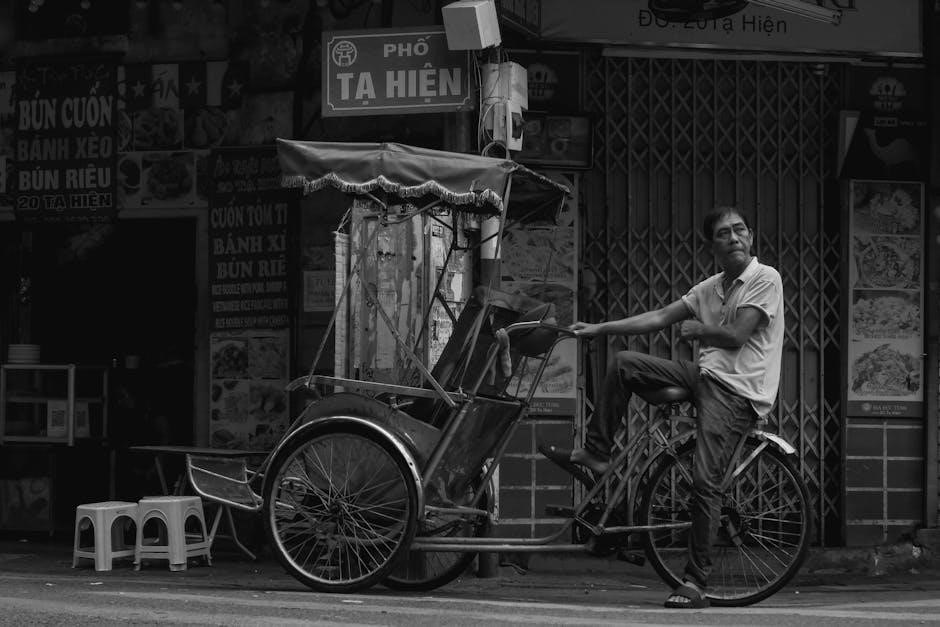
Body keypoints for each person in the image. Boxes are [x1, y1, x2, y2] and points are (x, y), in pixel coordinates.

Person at [541, 206, 784, 609]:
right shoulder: (710, 287)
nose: (734, 238)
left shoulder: (765, 277)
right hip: (703, 375)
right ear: (712, 246)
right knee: (624, 364)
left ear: (751, 236)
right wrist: (600, 328)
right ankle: (597, 452)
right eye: (723, 233)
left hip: (736, 391)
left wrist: (700, 330)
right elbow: (658, 317)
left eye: (740, 230)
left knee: (706, 483)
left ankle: (695, 583)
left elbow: (738, 335)